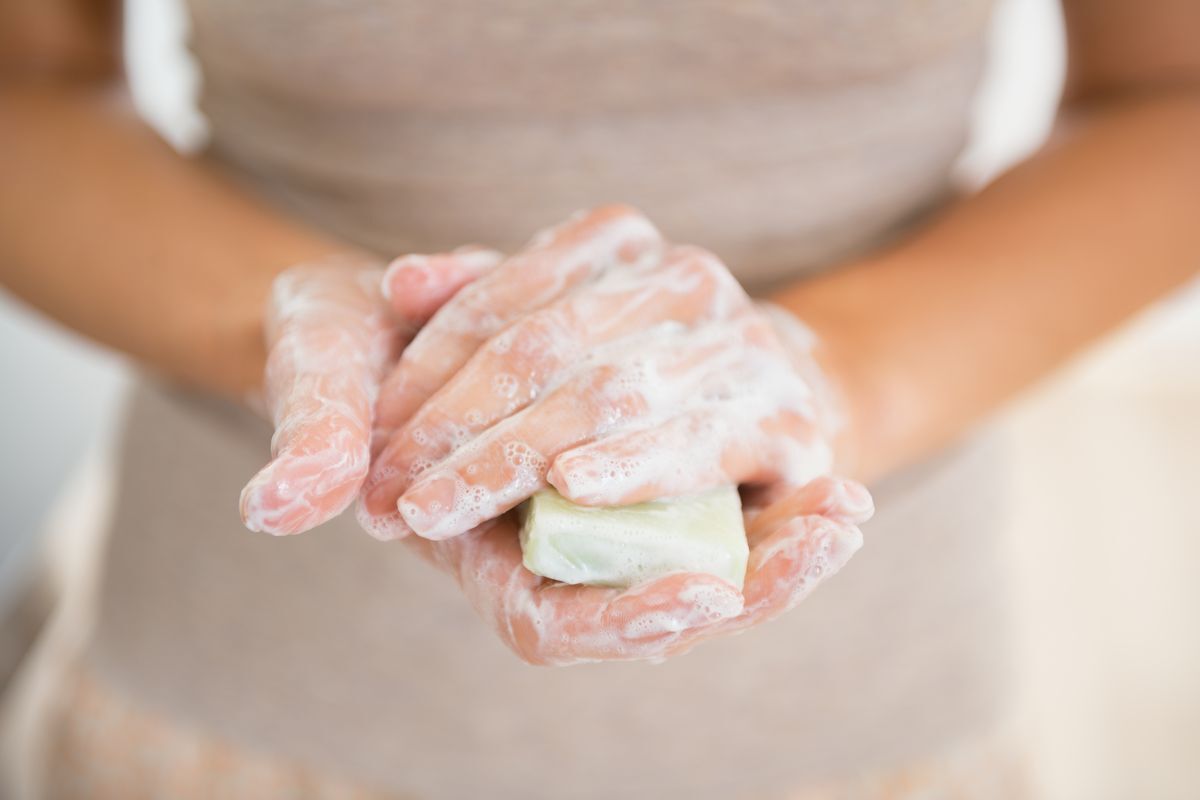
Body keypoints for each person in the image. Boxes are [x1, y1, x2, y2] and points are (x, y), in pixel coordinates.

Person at [2, 0, 1197, 796]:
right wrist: (296, 330)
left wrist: (825, 371)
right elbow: (25, 79)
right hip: (232, 704)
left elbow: (1173, 96)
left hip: (856, 723)